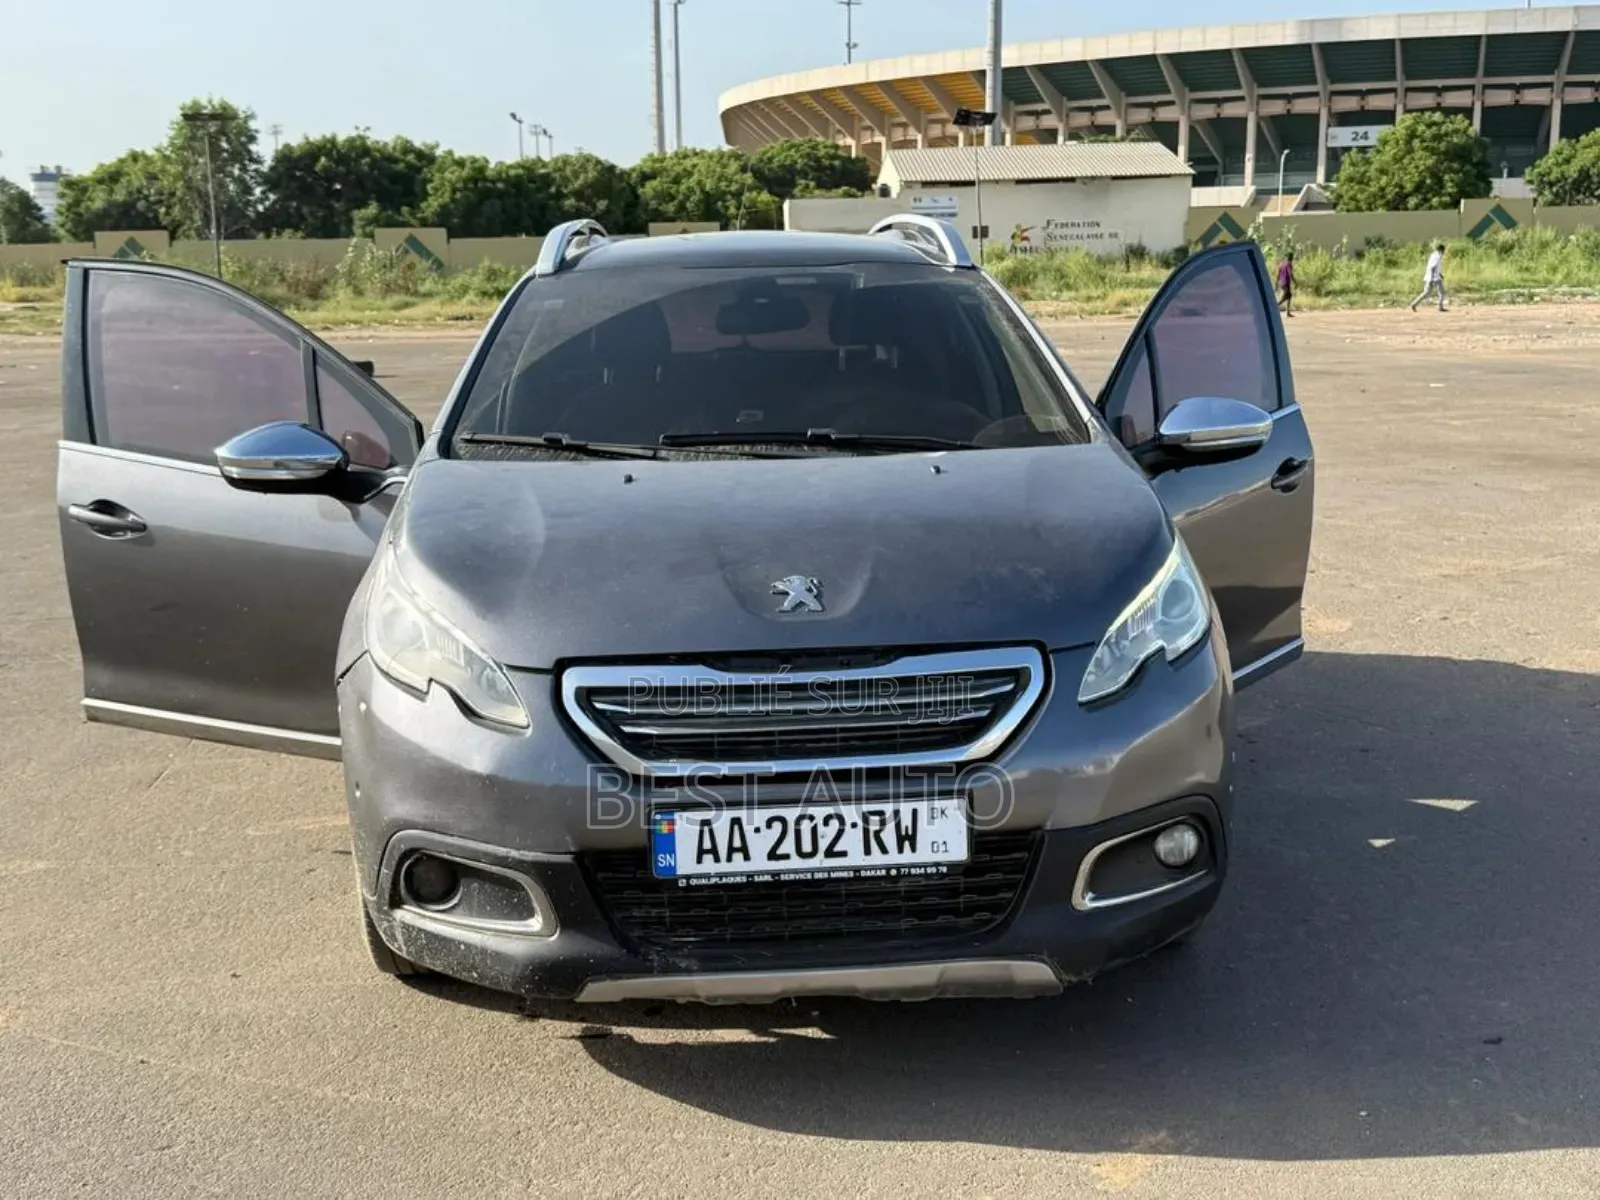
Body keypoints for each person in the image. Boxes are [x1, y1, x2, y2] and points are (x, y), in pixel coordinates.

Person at [1411, 242, 1448, 312]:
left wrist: (1440, 274)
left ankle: (1414, 304)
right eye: (1443, 251)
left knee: (1426, 293)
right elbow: (1433, 267)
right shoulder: (1438, 256)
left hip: (1433, 277)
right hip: (1434, 278)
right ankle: (1440, 307)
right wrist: (1432, 278)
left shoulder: (1433, 255)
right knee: (1442, 292)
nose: (1444, 252)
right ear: (1441, 250)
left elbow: (1436, 267)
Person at [1276, 251, 1295, 317]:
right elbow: (1290, 273)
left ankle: (1288, 312)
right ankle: (1276, 306)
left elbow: (1278, 274)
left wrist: (1277, 282)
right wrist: (1294, 281)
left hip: (1282, 283)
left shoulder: (1281, 264)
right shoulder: (1289, 264)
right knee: (1286, 297)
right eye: (1292, 257)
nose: (1292, 258)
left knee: (1289, 296)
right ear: (1290, 257)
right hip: (1286, 283)